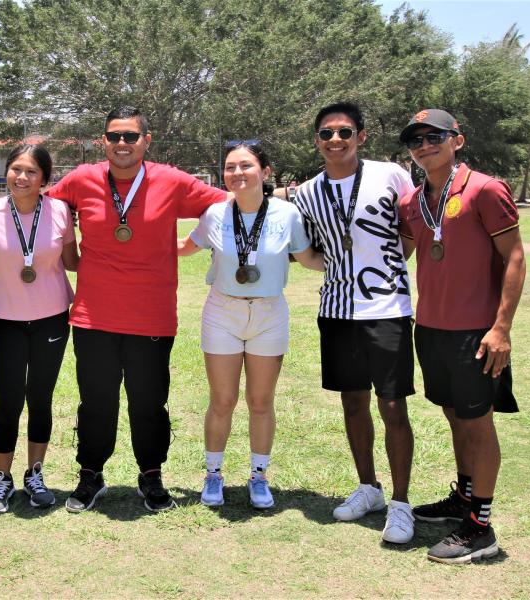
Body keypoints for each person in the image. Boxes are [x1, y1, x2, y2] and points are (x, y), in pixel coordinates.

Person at [45, 106, 229, 513]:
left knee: (148, 403)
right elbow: (41, 207)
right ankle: (90, 475)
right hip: (94, 316)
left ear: (147, 140)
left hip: (152, 316)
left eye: (130, 136)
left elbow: (230, 202)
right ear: (103, 141)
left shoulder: (172, 180)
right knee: (96, 403)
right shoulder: (81, 179)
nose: (122, 143)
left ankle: (151, 475)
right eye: (114, 136)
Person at [397, 108, 525, 564]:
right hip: (431, 329)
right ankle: (465, 498)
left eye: (435, 136)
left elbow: (514, 258)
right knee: (454, 416)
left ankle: (481, 527)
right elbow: (399, 250)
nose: (424, 146)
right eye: (415, 140)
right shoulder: (412, 201)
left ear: (458, 140)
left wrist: (501, 328)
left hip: (476, 332)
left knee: (477, 422)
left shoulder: (485, 189)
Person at [292, 102, 418, 544]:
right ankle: (369, 488)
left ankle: (401, 504)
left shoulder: (391, 175)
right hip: (337, 310)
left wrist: (386, 272)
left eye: (344, 132)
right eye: (326, 133)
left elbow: (410, 232)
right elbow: (307, 252)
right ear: (317, 141)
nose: (335, 140)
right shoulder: (307, 193)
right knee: (352, 403)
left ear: (361, 137)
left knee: (393, 406)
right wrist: (337, 269)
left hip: (387, 309)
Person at [177, 142, 323, 509]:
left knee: (260, 402)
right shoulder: (214, 214)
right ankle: (213, 474)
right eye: (230, 167)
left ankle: (259, 477)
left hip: (270, 314)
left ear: (266, 171)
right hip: (222, 313)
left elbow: (308, 258)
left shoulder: (287, 214)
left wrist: (351, 259)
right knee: (222, 400)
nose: (237, 173)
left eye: (246, 165)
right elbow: (185, 247)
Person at [0, 144, 79, 515]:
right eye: (16, 169)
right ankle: (2, 478)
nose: (21, 177)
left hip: (52, 317)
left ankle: (35, 475)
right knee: (8, 401)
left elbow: (72, 262)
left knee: (41, 398)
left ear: (44, 179)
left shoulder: (59, 211)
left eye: (31, 172)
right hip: (5, 319)